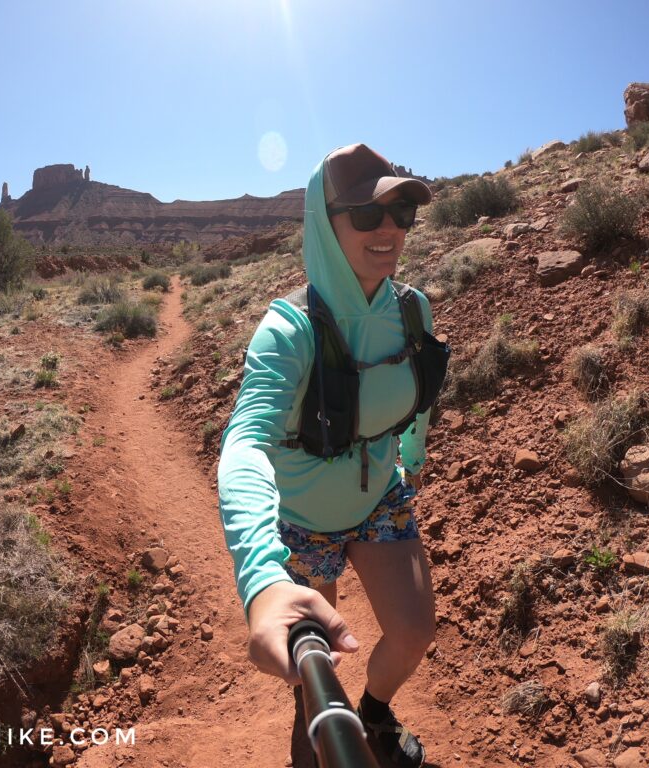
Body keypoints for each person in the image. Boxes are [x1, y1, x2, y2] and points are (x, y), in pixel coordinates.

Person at [218, 143, 446, 768]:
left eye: (402, 212)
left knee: (413, 631)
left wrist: (413, 453)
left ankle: (373, 711)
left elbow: (420, 389)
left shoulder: (412, 309)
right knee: (311, 696)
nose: (391, 229)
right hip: (300, 521)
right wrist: (262, 577)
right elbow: (243, 444)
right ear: (325, 220)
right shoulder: (289, 331)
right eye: (369, 215)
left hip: (380, 498)